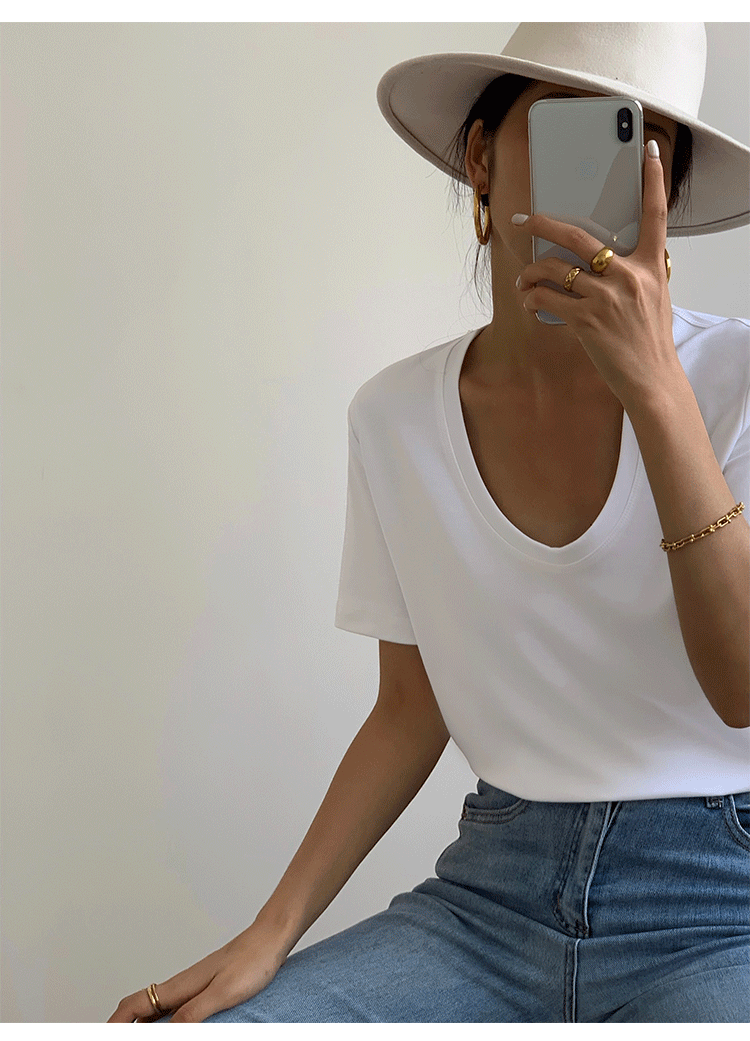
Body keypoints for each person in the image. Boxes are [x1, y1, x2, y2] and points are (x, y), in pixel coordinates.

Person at [108, 23, 750, 1024]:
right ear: (482, 158)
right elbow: (410, 707)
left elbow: (742, 688)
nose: (609, 176)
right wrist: (268, 934)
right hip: (492, 901)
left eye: (645, 145)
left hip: (719, 904)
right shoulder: (396, 416)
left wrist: (659, 394)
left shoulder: (735, 379)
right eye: (577, 132)